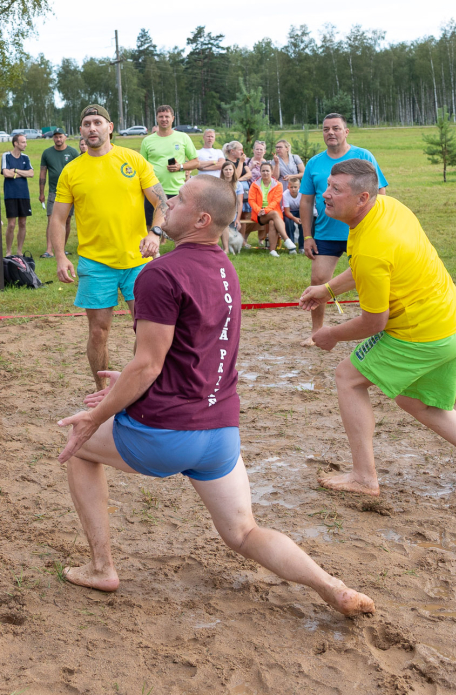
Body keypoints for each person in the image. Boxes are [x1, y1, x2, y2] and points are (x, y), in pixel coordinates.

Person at [55, 175, 375, 617]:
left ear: (202, 219)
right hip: (219, 433)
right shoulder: (225, 266)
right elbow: (192, 349)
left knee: (80, 447)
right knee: (244, 533)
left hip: (165, 431)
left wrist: (97, 415)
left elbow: (147, 365)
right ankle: (331, 586)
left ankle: (101, 566)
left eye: (180, 199)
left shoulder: (159, 273)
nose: (168, 201)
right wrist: (128, 380)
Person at [298, 159, 456, 495]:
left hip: (421, 335)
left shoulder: (372, 246)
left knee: (348, 378)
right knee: (417, 401)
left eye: (335, 189)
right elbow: (372, 267)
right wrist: (327, 289)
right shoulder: (389, 207)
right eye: (327, 185)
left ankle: (363, 477)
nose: (325, 194)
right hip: (454, 323)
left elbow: (374, 321)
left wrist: (332, 334)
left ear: (363, 198)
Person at [50, 105, 167, 389]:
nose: (92, 128)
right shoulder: (71, 171)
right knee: (98, 333)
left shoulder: (133, 159)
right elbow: (58, 218)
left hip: (138, 261)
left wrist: (155, 233)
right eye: (87, 123)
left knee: (146, 331)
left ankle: (138, 388)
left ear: (110, 127)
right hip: (95, 264)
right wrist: (61, 256)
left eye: (98, 122)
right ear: (81, 130)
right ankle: (101, 393)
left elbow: (162, 202)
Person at [298, 114, 387, 332]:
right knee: (318, 279)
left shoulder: (363, 156)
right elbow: (306, 201)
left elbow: (380, 193)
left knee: (373, 278)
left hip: (360, 231)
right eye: (326, 129)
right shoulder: (314, 163)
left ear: (346, 132)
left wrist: (379, 228)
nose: (330, 132)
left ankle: (382, 327)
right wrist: (307, 236)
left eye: (336, 128)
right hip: (326, 233)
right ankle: (316, 331)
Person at [138, 104, 199, 227]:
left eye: (167, 116)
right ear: (156, 118)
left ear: (173, 118)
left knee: (177, 227)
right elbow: (141, 167)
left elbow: (196, 162)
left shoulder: (183, 137)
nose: (164, 119)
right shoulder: (147, 141)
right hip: (153, 191)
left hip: (176, 190)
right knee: (152, 226)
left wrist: (180, 167)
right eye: (161, 116)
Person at [38, 128, 79, 259]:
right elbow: (43, 173)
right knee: (52, 220)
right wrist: (41, 192)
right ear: (53, 138)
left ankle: (62, 248)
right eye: (56, 137)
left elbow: (79, 172)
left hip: (70, 192)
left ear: (65, 137)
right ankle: (49, 250)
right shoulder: (47, 153)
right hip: (53, 191)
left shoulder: (73, 152)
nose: (58, 139)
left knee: (67, 220)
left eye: (60, 136)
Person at [248, 160, 294, 256]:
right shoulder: (254, 184)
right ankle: (286, 239)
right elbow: (251, 200)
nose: (265, 173)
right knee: (274, 214)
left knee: (272, 222)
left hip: (272, 212)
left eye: (267, 171)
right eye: (263, 171)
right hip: (259, 214)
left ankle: (272, 250)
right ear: (260, 172)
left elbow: (276, 201)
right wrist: (259, 210)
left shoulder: (278, 185)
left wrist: (266, 210)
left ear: (272, 172)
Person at [1, 131, 33, 256]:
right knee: (11, 224)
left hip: (24, 194)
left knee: (23, 223)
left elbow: (31, 173)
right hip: (10, 194)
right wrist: (21, 173)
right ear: (15, 143)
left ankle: (19, 251)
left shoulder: (26, 158)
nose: (25, 144)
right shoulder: (6, 156)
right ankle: (8, 251)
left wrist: (15, 171)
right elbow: (6, 173)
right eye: (23, 142)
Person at [282, 177, 304, 247]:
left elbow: (303, 208)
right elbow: (287, 212)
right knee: (288, 222)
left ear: (299, 187)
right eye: (291, 187)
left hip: (300, 211)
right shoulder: (285, 194)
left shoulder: (302, 194)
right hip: (289, 212)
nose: (293, 189)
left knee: (304, 222)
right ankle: (291, 244)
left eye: (295, 187)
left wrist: (300, 218)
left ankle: (302, 246)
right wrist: (294, 219)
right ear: (288, 187)